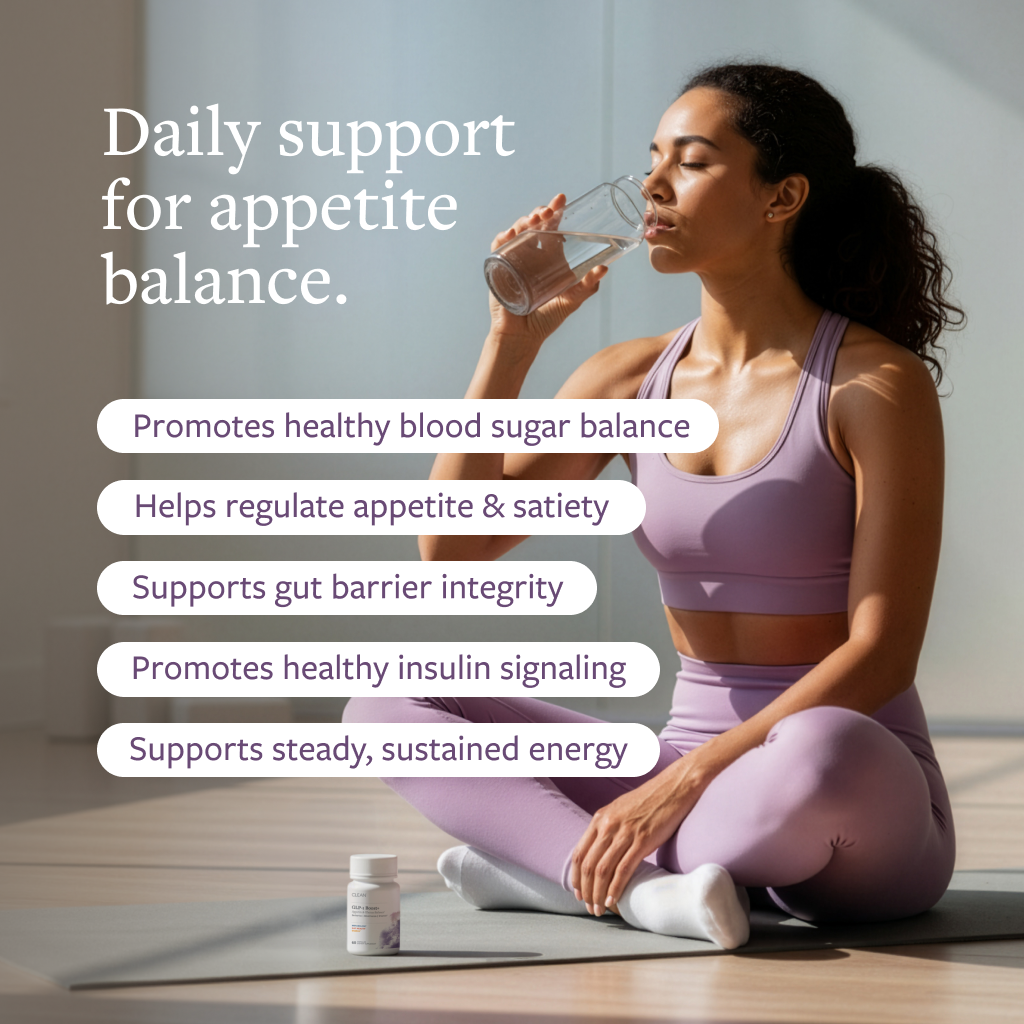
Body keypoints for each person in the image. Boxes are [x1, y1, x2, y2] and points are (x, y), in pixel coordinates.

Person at [344, 63, 964, 949]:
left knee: (823, 748)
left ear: (782, 196)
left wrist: (680, 784)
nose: (653, 185)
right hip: (683, 764)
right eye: (652, 158)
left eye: (694, 161)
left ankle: (561, 868)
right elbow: (453, 548)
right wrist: (510, 340)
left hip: (849, 788)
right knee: (389, 705)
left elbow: (882, 653)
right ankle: (637, 887)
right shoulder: (632, 378)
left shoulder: (872, 384)